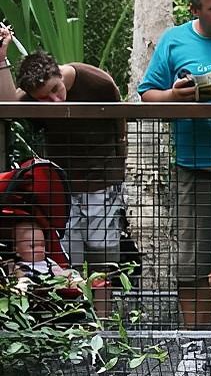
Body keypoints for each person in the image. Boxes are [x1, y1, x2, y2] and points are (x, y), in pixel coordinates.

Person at [138, 0, 211, 376]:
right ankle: (194, 345)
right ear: (195, 10)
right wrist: (175, 96)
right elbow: (147, 94)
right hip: (193, 170)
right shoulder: (174, 40)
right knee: (192, 263)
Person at [0, 41, 125, 317]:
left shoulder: (96, 81)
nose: (55, 100)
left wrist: (118, 168)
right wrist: (1, 59)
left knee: (104, 260)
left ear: (59, 74)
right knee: (66, 262)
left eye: (56, 89)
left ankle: (104, 328)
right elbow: (8, 107)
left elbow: (121, 122)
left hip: (102, 183)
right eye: (44, 97)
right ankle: (73, 328)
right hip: (62, 189)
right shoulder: (32, 98)